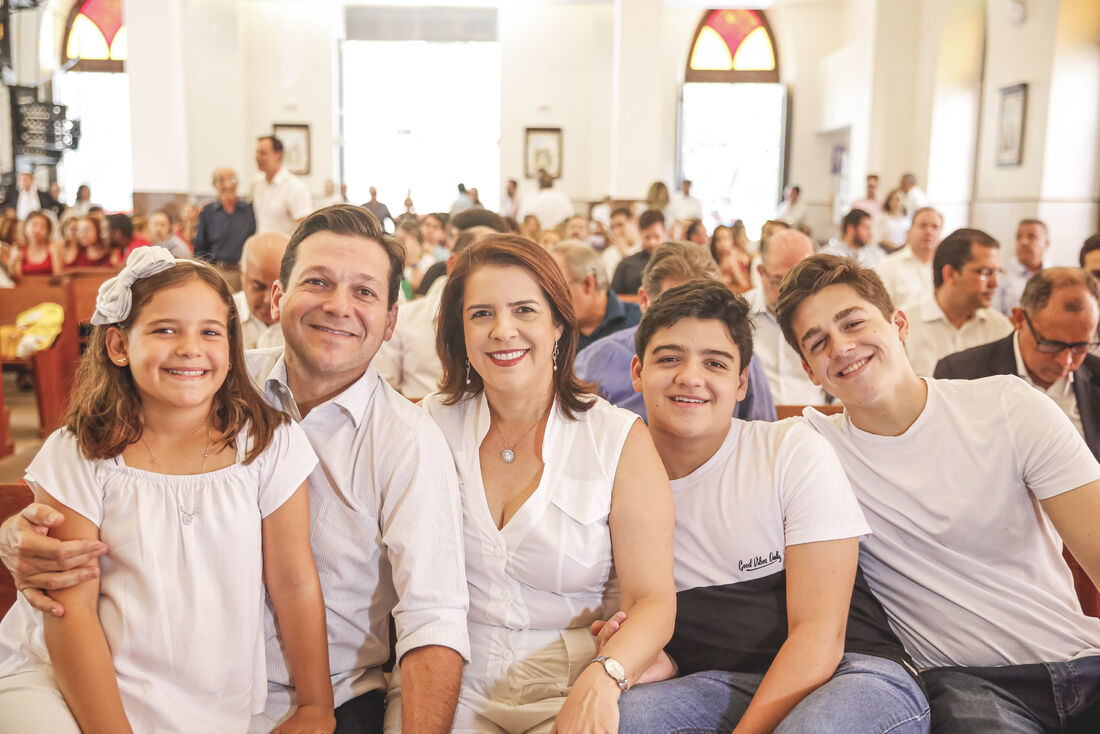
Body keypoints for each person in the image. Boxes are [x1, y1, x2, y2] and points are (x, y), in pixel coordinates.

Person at [2, 207, 472, 734]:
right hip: (127, 676)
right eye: (317, 282)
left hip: (320, 693)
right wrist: (18, 533)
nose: (338, 305)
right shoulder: (206, 375)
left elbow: (432, 616)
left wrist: (322, 707)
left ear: (390, 320)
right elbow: (86, 488)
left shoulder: (407, 442)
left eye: (364, 291)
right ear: (276, 298)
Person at [0, 249, 333, 733]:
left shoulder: (269, 442)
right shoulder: (82, 451)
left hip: (212, 695)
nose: (190, 348)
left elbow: (294, 581)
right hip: (72, 683)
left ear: (231, 346)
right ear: (119, 344)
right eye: (165, 330)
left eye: (210, 332)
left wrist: (316, 705)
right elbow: (69, 612)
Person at [776, 253, 1100, 733]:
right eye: (818, 342)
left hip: (1082, 659)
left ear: (899, 324)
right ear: (810, 371)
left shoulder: (1009, 407)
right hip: (971, 687)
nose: (841, 346)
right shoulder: (810, 450)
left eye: (853, 323)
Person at [612, 280, 928, 734]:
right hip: (719, 683)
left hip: (851, 670)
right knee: (624, 719)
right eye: (669, 359)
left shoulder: (788, 450)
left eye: (715, 363)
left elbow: (820, 637)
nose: (691, 377)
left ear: (741, 382)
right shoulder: (614, 478)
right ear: (638, 372)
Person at [403, 235, 675, 733]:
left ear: (558, 324)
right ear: (460, 331)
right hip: (447, 679)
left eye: (524, 310)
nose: (503, 330)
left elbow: (653, 602)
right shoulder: (428, 425)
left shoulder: (616, 439)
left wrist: (605, 677)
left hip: (571, 685)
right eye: (481, 314)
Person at [577, 241, 776, 423]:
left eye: (704, 311)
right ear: (644, 301)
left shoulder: (738, 361)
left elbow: (760, 435)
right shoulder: (595, 362)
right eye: (672, 311)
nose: (691, 378)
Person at [935, 267, 1100, 460]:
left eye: (1080, 347)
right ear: (1019, 319)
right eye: (1051, 345)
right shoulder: (960, 376)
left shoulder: (1096, 375)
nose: (1066, 361)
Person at [904, 228, 1013, 376]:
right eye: (985, 272)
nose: (995, 283)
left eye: (997, 273)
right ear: (950, 274)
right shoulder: (905, 327)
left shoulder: (1000, 329)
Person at [745, 229, 828, 404]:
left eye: (800, 283)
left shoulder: (827, 315)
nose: (789, 294)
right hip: (755, 418)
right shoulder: (739, 314)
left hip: (816, 416)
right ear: (761, 272)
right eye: (778, 282)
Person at [551, 240, 641, 351]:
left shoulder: (638, 324)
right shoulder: (552, 333)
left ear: (588, 283)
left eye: (557, 289)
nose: (551, 299)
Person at [417, 209, 508, 296]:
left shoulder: (508, 282)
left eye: (461, 237)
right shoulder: (437, 272)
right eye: (451, 236)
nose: (452, 244)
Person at [194, 167, 257, 289]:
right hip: (218, 272)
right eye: (221, 180)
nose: (227, 185)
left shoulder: (249, 210)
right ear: (214, 184)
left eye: (231, 179)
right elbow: (200, 248)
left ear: (237, 183)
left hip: (244, 272)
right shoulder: (207, 212)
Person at [874, 207, 944, 309]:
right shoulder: (887, 265)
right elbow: (879, 309)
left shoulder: (946, 269)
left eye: (935, 227)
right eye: (923, 225)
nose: (929, 231)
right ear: (909, 232)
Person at [236, 231, 289, 350]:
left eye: (280, 289)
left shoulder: (305, 324)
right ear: (242, 273)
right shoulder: (222, 316)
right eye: (259, 287)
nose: (269, 300)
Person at [252, 136, 313, 234]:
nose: (257, 157)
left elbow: (305, 227)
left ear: (278, 155)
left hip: (285, 243)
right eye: (257, 153)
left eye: (262, 153)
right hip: (261, 243)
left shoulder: (295, 187)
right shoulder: (257, 185)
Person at [992, 219, 1052, 315]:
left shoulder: (1057, 275)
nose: (1023, 242)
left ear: (1046, 243)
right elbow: (994, 314)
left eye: (1032, 236)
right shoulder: (1000, 273)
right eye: (1019, 237)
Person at [612, 209, 666, 295]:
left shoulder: (677, 263)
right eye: (647, 237)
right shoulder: (626, 265)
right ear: (640, 234)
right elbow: (614, 298)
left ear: (665, 233)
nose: (652, 243)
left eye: (657, 237)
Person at [822, 209, 888, 269]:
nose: (869, 233)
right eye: (865, 228)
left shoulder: (877, 254)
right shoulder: (829, 254)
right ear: (851, 229)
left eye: (869, 228)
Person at [9, 211, 62, 278]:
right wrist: (12, 262)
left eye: (42, 226)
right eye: (34, 225)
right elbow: (17, 278)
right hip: (25, 284)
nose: (37, 230)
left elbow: (58, 277)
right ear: (25, 226)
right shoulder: (19, 248)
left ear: (48, 231)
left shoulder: (53, 247)